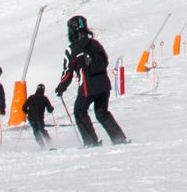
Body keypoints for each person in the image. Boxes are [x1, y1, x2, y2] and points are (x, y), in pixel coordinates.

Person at [56, 16, 129, 146]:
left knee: (79, 111)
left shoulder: (71, 48)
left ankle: (91, 142)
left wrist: (62, 86)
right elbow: (105, 61)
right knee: (102, 113)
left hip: (87, 87)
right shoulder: (96, 44)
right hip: (104, 85)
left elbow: (68, 71)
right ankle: (119, 139)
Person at [23, 83, 55, 147]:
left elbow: (24, 107)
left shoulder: (31, 97)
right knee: (42, 130)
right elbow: (49, 109)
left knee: (36, 131)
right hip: (39, 118)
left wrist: (27, 112)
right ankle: (50, 143)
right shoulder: (44, 98)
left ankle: (42, 145)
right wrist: (51, 109)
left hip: (31, 118)